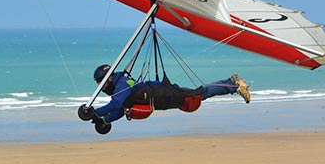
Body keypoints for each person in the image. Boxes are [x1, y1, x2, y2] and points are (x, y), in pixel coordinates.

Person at [88, 64, 251, 125]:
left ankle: (233, 84)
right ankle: (231, 83)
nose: (99, 86)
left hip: (167, 95)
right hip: (164, 98)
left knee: (199, 93)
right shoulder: (119, 86)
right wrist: (103, 120)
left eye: (100, 82)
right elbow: (119, 110)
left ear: (108, 78)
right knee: (199, 93)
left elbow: (116, 104)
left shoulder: (122, 84)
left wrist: (94, 112)